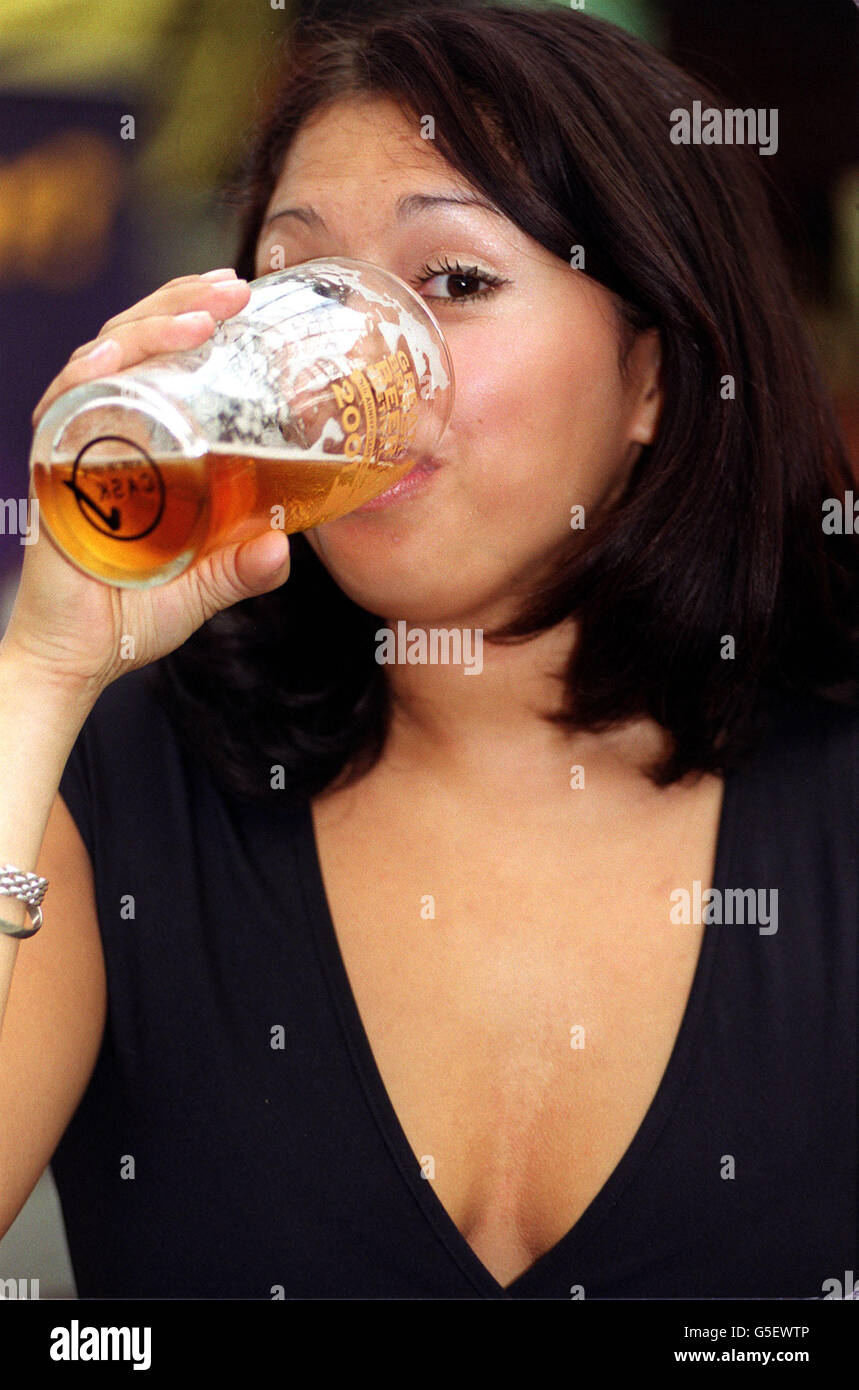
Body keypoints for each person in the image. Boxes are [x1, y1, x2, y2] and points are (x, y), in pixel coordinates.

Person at [0, 5, 856, 1300]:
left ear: (654, 379)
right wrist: (43, 666)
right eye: (295, 291)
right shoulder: (128, 784)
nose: (346, 369)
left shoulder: (838, 795)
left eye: (452, 281)